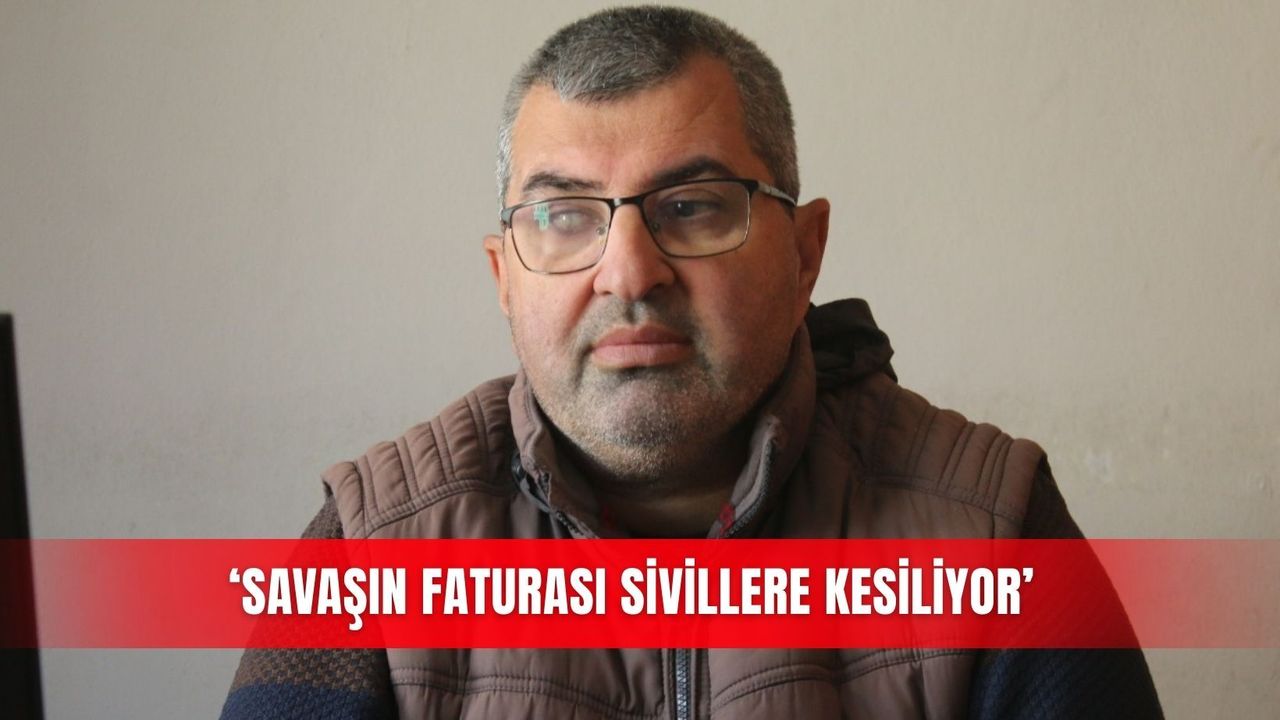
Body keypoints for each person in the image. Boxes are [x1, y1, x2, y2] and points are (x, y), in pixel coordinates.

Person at [222, 6, 1162, 719]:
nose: (629, 273)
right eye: (563, 215)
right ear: (505, 277)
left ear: (805, 253)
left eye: (693, 206)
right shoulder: (374, 549)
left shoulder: (992, 532)